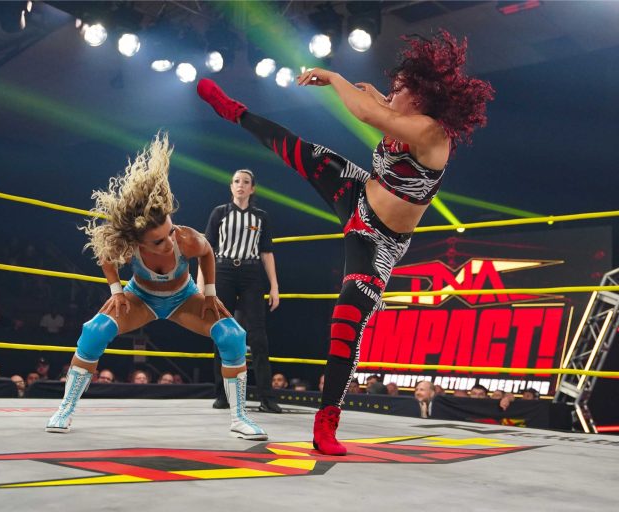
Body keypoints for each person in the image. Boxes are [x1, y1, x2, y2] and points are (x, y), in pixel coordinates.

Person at [197, 30, 493, 455]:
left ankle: (327, 421)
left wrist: (336, 79)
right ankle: (234, 111)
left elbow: (369, 114)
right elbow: (378, 107)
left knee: (346, 321)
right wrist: (378, 95)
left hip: (379, 241)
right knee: (296, 148)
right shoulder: (402, 114)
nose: (391, 94)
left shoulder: (431, 134)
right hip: (356, 192)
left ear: (420, 97)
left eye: (399, 89)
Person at [46, 134, 266, 440]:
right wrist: (116, 291)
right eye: (159, 240)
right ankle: (65, 409)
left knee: (233, 335)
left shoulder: (185, 238)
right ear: (138, 241)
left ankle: (240, 418)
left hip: (184, 298)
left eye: (169, 231)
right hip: (141, 298)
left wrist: (210, 294)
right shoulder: (128, 246)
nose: (169, 241)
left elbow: (207, 253)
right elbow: (106, 256)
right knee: (94, 331)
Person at [199, 169, 282, 413]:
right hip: (223, 270)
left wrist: (274, 286)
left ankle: (266, 397)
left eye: (246, 182)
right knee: (221, 331)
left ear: (252, 188)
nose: (240, 185)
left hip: (251, 273)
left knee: (258, 336)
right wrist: (201, 284)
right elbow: (206, 250)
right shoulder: (220, 213)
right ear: (231, 186)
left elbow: (267, 252)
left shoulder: (261, 217)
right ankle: (222, 394)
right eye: (236, 181)